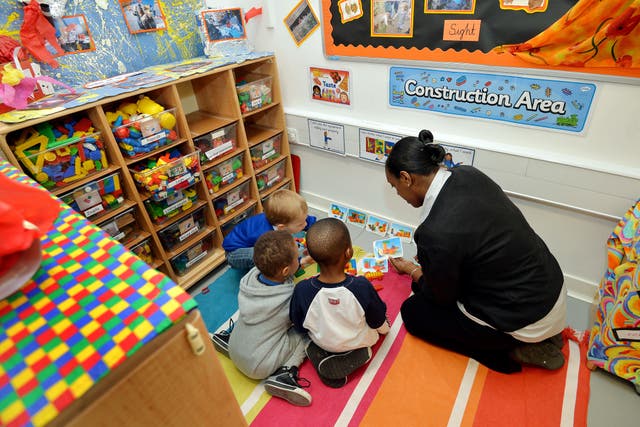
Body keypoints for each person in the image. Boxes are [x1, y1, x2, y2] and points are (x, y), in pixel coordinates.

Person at [385, 129, 567, 374]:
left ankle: (507, 349)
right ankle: (535, 339)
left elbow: (442, 298)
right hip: (551, 290)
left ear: (406, 178)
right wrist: (436, 259)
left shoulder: (435, 232)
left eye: (395, 186)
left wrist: (414, 270)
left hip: (523, 317)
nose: (398, 194)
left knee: (414, 313)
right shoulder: (467, 173)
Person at [212, 231, 312, 406]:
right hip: (259, 366)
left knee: (252, 316)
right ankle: (284, 374)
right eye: (297, 257)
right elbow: (301, 323)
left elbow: (282, 274)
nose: (299, 257)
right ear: (286, 270)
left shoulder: (251, 278)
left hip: (236, 350)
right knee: (304, 334)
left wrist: (301, 263)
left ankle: (229, 338)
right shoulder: (290, 297)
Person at [290, 218, 390, 388]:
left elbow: (298, 324)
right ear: (349, 252)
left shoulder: (302, 289)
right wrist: (385, 329)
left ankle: (322, 354)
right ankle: (354, 355)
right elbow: (377, 319)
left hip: (320, 340)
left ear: (312, 258)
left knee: (310, 338)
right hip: (356, 340)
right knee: (376, 330)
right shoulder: (361, 286)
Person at [222, 189, 316, 270]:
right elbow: (278, 256)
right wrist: (302, 261)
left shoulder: (282, 219)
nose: (306, 224)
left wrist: (318, 231)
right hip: (234, 253)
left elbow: (308, 222)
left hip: (251, 242)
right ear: (282, 227)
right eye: (301, 224)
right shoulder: (268, 237)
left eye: (305, 220)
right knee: (269, 257)